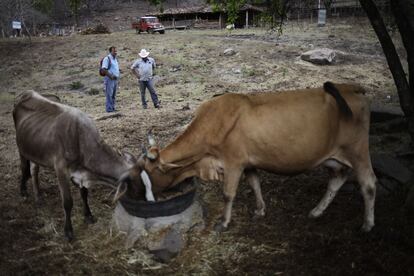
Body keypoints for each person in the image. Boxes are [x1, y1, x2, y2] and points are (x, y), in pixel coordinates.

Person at [101, 46, 120, 112]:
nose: (115, 52)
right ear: (110, 51)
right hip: (109, 79)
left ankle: (112, 108)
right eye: (114, 51)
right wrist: (111, 76)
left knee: (113, 95)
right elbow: (104, 69)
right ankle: (109, 109)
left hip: (115, 79)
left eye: (116, 51)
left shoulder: (115, 59)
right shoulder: (107, 58)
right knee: (109, 94)